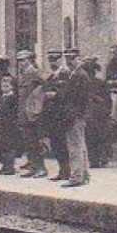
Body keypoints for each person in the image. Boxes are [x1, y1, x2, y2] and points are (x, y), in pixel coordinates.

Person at [15, 49, 48, 178]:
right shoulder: (22, 74)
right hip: (23, 112)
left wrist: (37, 104)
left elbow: (45, 86)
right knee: (28, 141)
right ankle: (33, 167)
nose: (21, 63)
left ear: (30, 60)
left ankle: (41, 168)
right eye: (19, 61)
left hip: (32, 113)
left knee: (34, 141)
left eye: (24, 60)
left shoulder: (34, 72)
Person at [61, 51, 92, 187]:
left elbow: (80, 98)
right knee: (81, 145)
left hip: (74, 115)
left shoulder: (79, 75)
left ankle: (76, 177)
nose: (69, 61)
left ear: (79, 59)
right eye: (67, 58)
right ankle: (84, 175)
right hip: (76, 115)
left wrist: (74, 114)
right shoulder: (76, 74)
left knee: (74, 147)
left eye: (72, 58)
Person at [42, 50, 71, 180]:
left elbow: (67, 93)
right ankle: (62, 171)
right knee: (56, 144)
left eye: (55, 59)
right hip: (52, 115)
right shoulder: (51, 77)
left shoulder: (65, 75)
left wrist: (56, 95)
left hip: (61, 114)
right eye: (50, 60)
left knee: (63, 144)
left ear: (61, 60)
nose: (52, 62)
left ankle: (67, 171)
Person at [83, 57, 114, 167]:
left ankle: (94, 160)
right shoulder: (101, 82)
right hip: (100, 113)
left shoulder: (85, 84)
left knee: (91, 137)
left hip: (91, 113)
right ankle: (101, 158)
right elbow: (108, 99)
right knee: (100, 136)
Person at [0, 69, 20, 175]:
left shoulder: (13, 98)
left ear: (12, 87)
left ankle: (10, 167)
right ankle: (4, 166)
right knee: (2, 146)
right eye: (3, 86)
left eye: (7, 86)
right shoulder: (1, 98)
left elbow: (13, 113)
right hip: (1, 126)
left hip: (9, 126)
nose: (4, 88)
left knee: (9, 147)